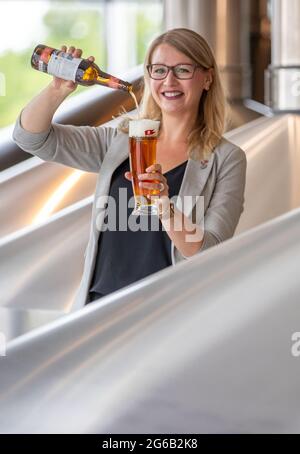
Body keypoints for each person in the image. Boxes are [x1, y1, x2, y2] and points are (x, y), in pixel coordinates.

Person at [12, 28, 247, 310]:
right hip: (99, 308)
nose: (169, 80)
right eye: (159, 70)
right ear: (149, 77)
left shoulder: (227, 159)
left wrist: (165, 205)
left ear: (207, 78)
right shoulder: (120, 141)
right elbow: (30, 138)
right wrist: (56, 90)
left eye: (183, 70)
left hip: (168, 313)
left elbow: (211, 251)